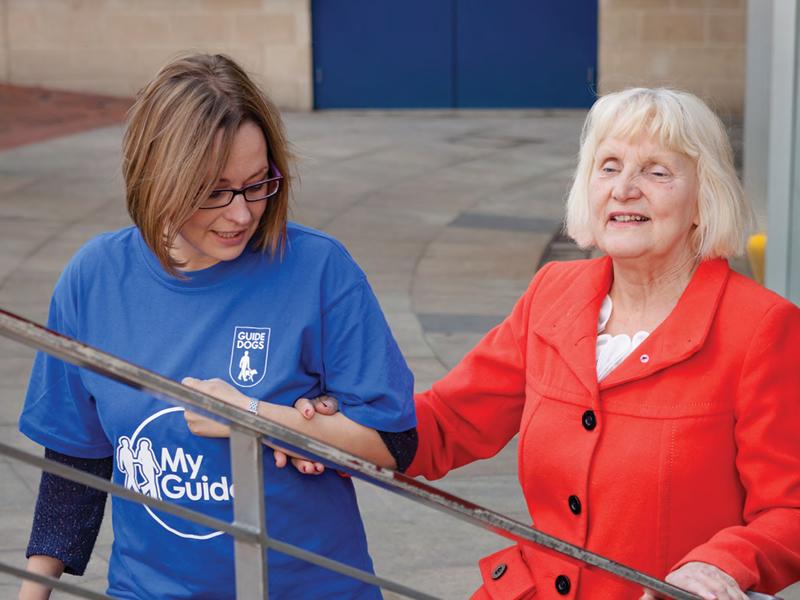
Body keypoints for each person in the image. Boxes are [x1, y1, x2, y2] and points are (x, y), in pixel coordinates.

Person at [292, 88, 800, 599]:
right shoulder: (553, 293)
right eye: (609, 167)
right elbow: (449, 423)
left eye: (657, 171)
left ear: (703, 197)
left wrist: (718, 567)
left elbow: (789, 511)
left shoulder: (761, 327)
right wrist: (341, 427)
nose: (624, 189)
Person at [17, 53, 416, 600]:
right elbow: (74, 460)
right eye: (213, 191)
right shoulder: (94, 279)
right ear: (157, 177)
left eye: (258, 184)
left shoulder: (320, 271)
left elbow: (394, 442)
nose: (241, 214)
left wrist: (259, 418)